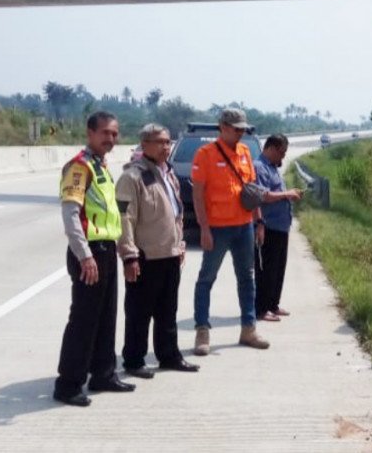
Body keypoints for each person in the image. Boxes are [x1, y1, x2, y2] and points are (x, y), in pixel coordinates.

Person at [53, 111, 135, 407]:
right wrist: (84, 255)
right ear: (90, 133)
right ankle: (68, 384)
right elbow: (71, 215)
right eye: (105, 133)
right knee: (84, 321)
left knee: (106, 317)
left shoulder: (100, 165)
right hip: (89, 252)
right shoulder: (79, 167)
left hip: (106, 250)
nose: (111, 139)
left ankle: (103, 374)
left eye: (114, 134)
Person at [116, 124, 200, 379]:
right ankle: (133, 359)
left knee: (168, 310)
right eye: (160, 142)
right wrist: (129, 255)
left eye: (168, 141)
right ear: (144, 145)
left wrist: (180, 243)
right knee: (139, 312)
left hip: (170, 254)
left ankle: (169, 355)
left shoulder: (168, 173)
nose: (166, 146)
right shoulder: (132, 177)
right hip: (145, 256)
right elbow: (124, 219)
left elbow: (175, 212)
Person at [191, 108, 270, 355]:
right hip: (217, 228)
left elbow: (252, 191)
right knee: (206, 279)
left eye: (242, 129)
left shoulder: (245, 152)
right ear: (222, 127)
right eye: (236, 129)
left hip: (244, 226)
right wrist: (204, 228)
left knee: (247, 278)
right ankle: (202, 331)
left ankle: (249, 328)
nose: (240, 133)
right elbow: (197, 195)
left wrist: (258, 222)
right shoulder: (205, 154)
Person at [253, 134, 304, 322]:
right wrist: (286, 194)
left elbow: (277, 193)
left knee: (278, 269)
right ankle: (261, 308)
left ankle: (273, 304)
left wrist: (289, 195)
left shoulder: (273, 168)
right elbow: (262, 196)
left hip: (281, 226)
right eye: (281, 152)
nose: (283, 157)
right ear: (271, 148)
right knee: (266, 270)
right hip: (268, 226)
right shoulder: (259, 167)